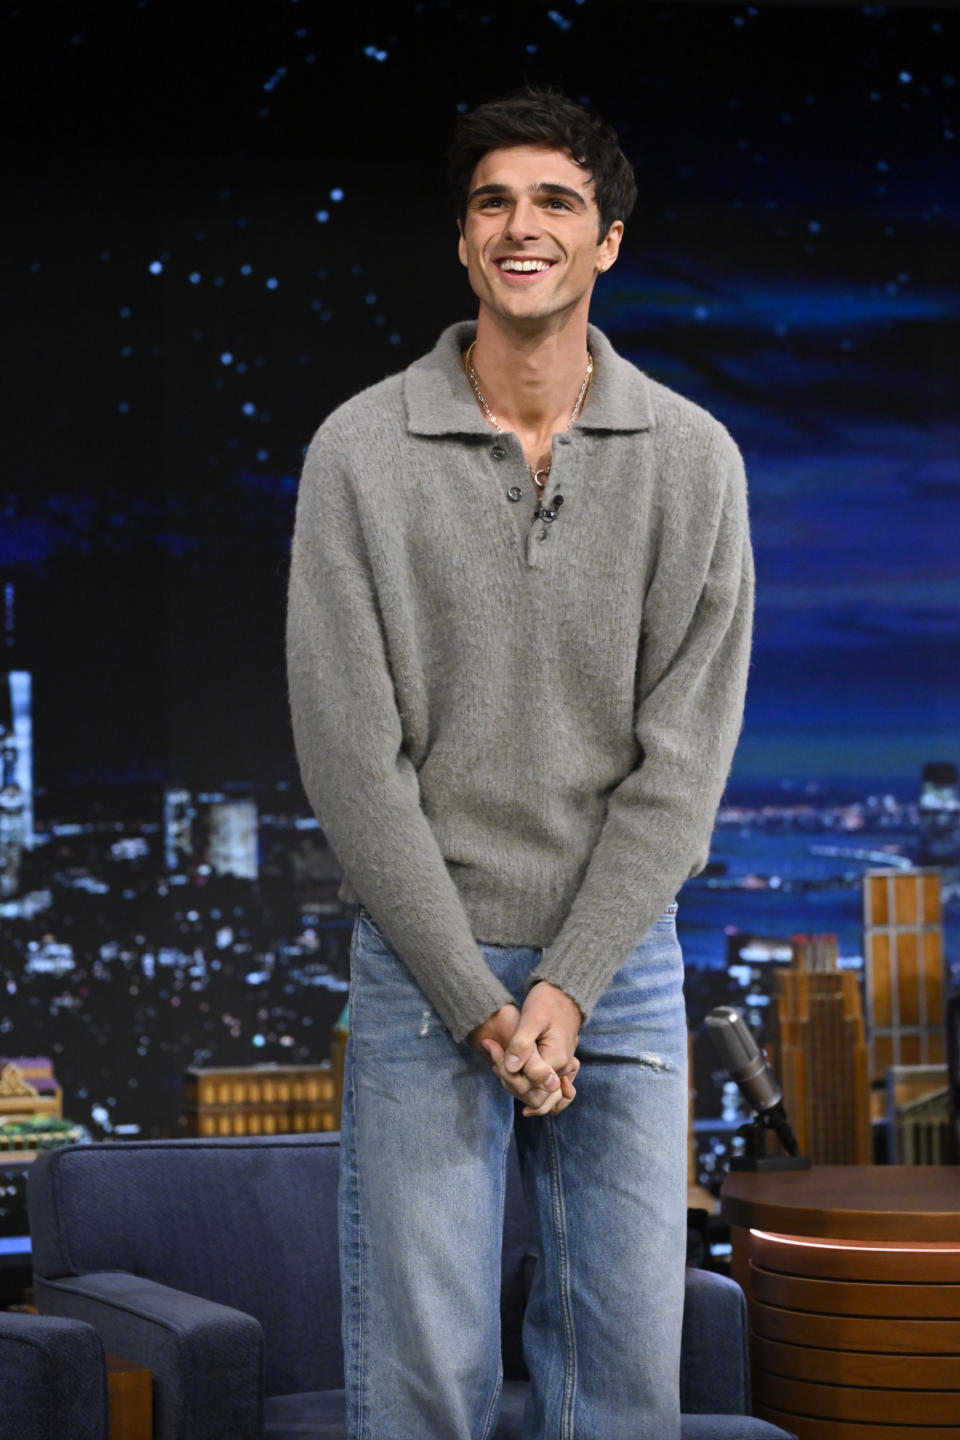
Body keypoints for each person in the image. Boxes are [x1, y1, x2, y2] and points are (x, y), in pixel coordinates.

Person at [286, 86, 754, 1440]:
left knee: (623, 1384)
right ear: (462, 240)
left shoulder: (695, 465)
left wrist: (572, 983)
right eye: (494, 200)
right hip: (424, 969)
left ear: (608, 241)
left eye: (557, 200)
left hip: (626, 971)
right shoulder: (361, 457)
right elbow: (352, 763)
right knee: (420, 1381)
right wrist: (475, 999)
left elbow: (683, 766)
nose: (522, 225)